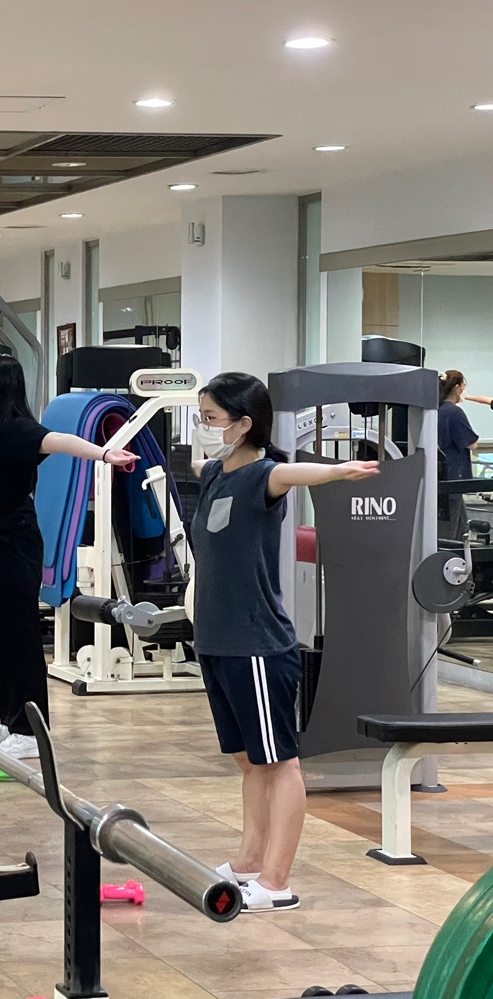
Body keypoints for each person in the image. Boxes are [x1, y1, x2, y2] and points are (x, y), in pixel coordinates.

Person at [190, 371, 378, 913]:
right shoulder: (213, 473)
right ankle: (249, 862)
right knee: (249, 762)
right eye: (201, 417)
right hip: (216, 642)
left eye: (211, 418)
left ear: (244, 423)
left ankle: (276, 881)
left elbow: (292, 472)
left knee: (279, 764)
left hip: (257, 644)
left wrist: (336, 471)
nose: (204, 427)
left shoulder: (264, 476)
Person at [0, 354, 137, 762]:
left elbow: (60, 441)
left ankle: (30, 728)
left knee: (20, 635)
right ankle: (10, 720)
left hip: (14, 540)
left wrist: (105, 454)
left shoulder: (21, 429)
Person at [436, 370, 491, 540]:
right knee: (449, 531)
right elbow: (471, 443)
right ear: (457, 387)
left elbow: (487, 400)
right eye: (463, 386)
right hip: (453, 479)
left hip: (444, 479)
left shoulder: (437, 410)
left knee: (462, 528)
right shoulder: (454, 412)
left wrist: (468, 397)